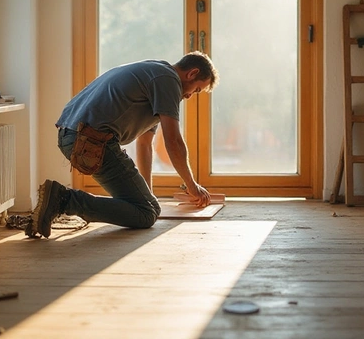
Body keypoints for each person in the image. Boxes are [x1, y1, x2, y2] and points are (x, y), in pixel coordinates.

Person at [27, 51, 220, 238]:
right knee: (147, 213)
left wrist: (147, 194)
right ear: (192, 73)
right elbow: (174, 141)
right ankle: (64, 200)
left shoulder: (156, 73)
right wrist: (191, 185)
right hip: (90, 140)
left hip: (73, 135)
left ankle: (62, 199)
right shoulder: (168, 81)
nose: (189, 96)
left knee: (148, 205)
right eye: (196, 90)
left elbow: (144, 144)